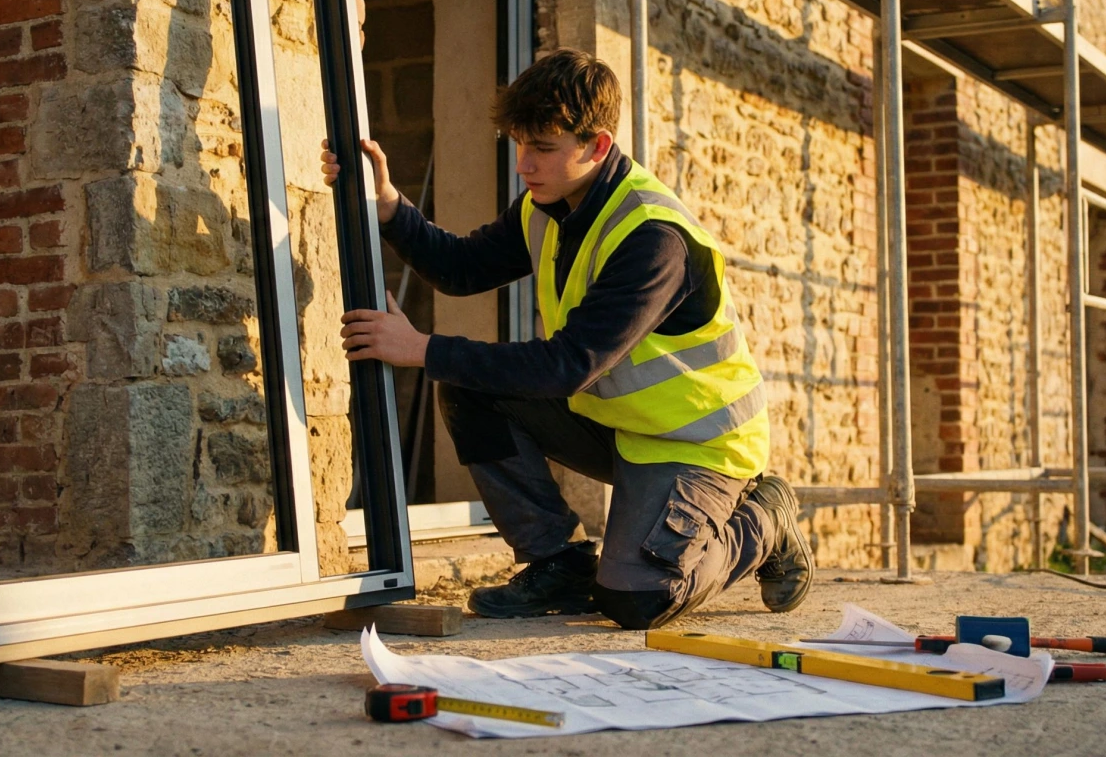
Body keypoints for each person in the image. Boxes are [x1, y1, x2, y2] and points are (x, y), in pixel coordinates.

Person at [324, 48, 811, 629]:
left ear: (597, 145)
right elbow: (462, 268)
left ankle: (764, 516)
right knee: (468, 386)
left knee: (640, 600)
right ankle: (558, 562)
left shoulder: (654, 239)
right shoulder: (547, 202)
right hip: (616, 423)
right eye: (518, 144)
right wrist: (388, 208)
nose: (523, 164)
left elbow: (567, 364)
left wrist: (421, 348)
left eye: (543, 148)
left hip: (695, 443)